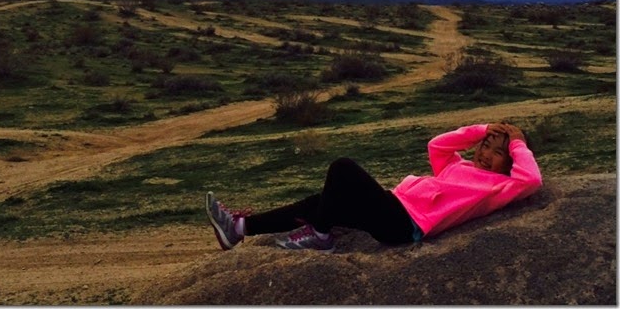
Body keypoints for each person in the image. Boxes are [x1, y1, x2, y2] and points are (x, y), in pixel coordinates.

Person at [205, 122, 542, 253]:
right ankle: (239, 228)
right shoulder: (460, 166)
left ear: (510, 160)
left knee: (343, 168)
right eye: (484, 145)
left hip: (405, 224)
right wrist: (481, 128)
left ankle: (321, 236)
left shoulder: (499, 186)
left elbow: (531, 180)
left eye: (497, 152)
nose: (486, 154)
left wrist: (517, 143)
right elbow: (436, 146)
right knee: (321, 202)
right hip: (393, 206)